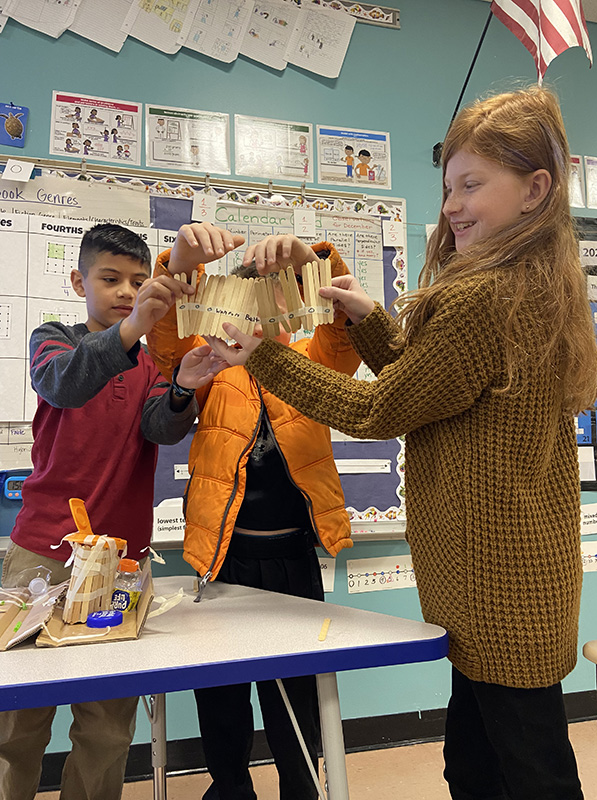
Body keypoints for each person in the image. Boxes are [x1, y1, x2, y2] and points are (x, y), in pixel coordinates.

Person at [207, 87, 597, 799]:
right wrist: (367, 321)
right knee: (484, 763)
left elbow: (384, 409)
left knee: (526, 770)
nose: (451, 204)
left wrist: (262, 355)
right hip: (512, 579)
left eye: (472, 184)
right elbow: (439, 392)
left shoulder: (482, 296)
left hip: (497, 585)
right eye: (448, 185)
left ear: (535, 189)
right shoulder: (534, 283)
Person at [0, 223, 224, 800]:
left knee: (107, 724)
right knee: (17, 721)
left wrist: (181, 390)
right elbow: (63, 385)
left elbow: (159, 426)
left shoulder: (150, 363)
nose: (126, 290)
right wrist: (131, 329)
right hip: (42, 555)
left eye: (136, 280)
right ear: (79, 281)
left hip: (121, 561)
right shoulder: (54, 340)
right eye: (110, 279)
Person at [146, 223, 361, 800]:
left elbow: (347, 333)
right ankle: (230, 786)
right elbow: (164, 339)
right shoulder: (208, 363)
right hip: (223, 553)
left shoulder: (311, 361)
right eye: (246, 306)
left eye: (276, 303)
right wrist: (176, 264)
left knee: (296, 692)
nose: (256, 322)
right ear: (223, 310)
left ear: (289, 311)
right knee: (220, 692)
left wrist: (310, 257)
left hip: (291, 553)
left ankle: (301, 783)